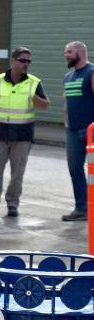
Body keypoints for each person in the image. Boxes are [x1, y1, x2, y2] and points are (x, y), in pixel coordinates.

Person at [0, 48, 50, 218]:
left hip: (22, 135)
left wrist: (34, 98)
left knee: (17, 174)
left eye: (29, 61)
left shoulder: (34, 82)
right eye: (23, 60)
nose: (26, 64)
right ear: (13, 61)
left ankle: (12, 204)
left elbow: (45, 105)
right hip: (0, 134)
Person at [61, 41, 94, 221]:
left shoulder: (91, 72)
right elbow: (66, 100)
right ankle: (82, 208)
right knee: (75, 170)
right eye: (65, 52)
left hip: (91, 132)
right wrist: (66, 121)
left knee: (93, 172)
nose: (66, 55)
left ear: (80, 52)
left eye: (69, 52)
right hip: (73, 132)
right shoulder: (67, 77)